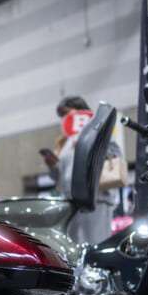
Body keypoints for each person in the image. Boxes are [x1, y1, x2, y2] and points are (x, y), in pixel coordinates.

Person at [46, 96, 123, 244]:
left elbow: (115, 155)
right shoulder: (65, 141)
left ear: (80, 110)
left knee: (96, 242)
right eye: (62, 116)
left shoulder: (97, 128)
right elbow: (59, 177)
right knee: (75, 245)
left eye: (66, 113)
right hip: (71, 201)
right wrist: (52, 165)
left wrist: (88, 145)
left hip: (96, 197)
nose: (64, 118)